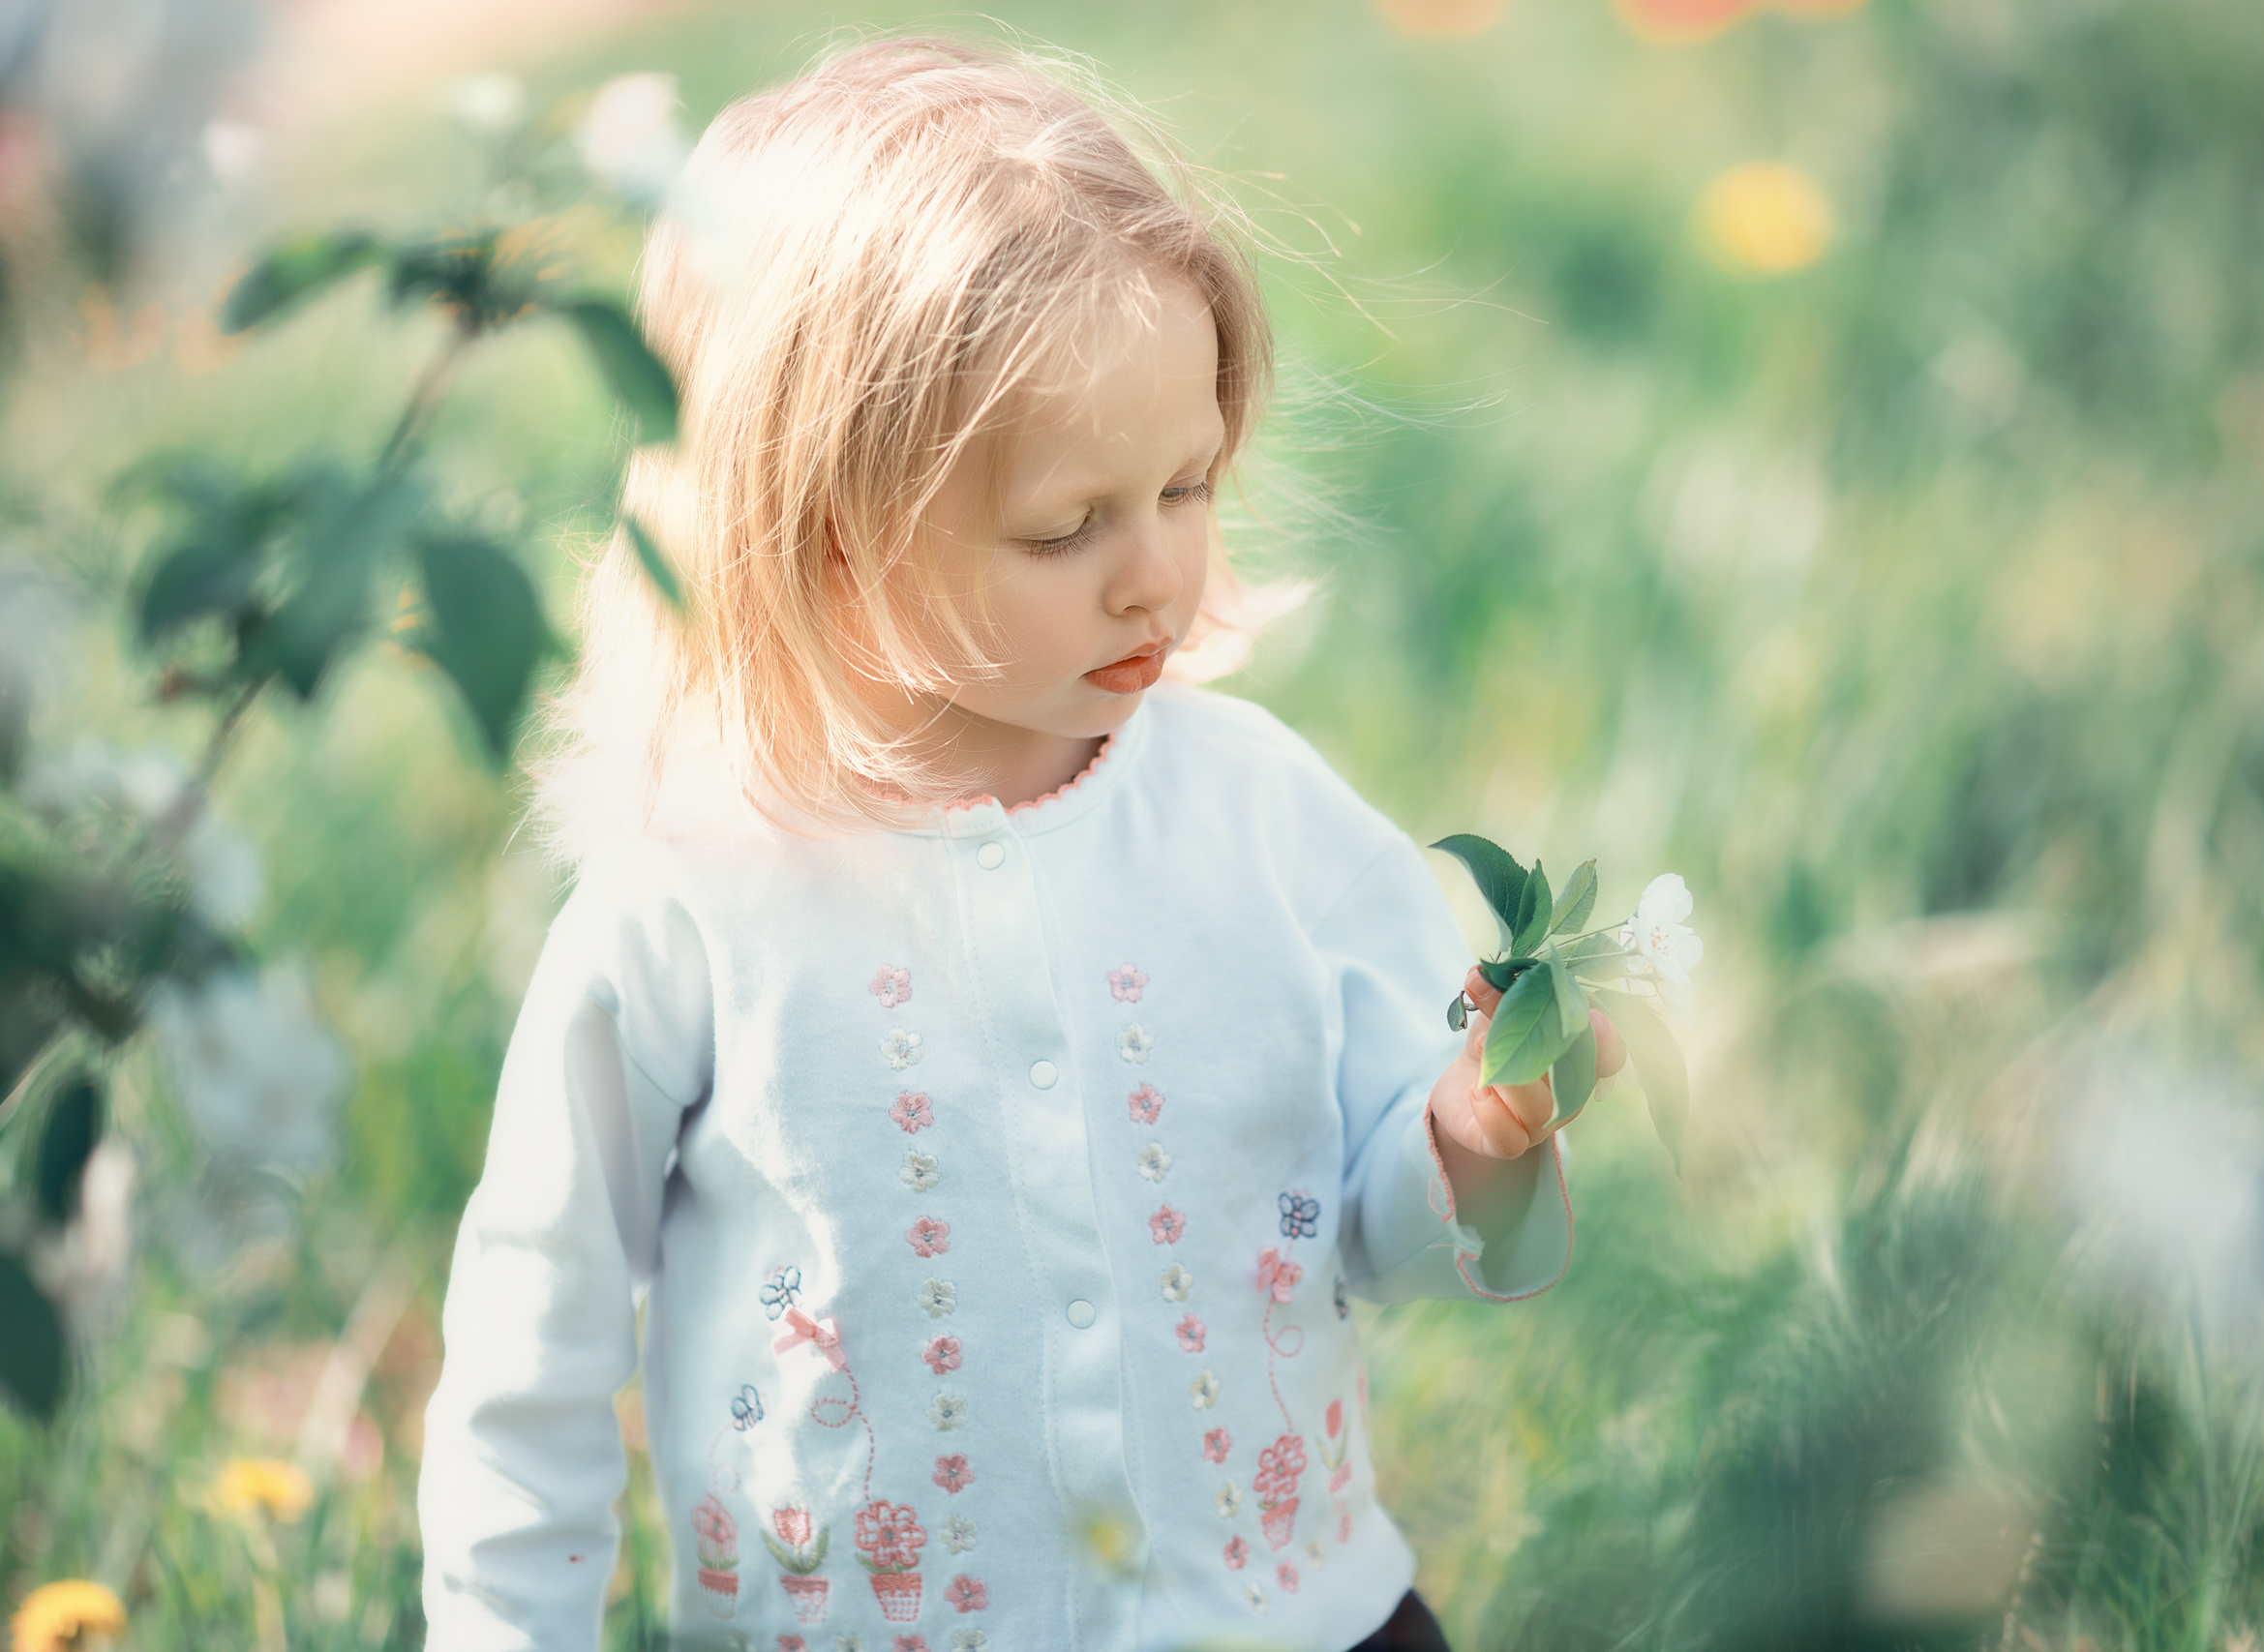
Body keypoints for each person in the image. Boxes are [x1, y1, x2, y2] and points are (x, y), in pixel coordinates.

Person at [416, 35, 1623, 1652]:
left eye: (1190, 488)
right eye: (1067, 527)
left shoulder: (1258, 818)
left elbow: (1371, 1233)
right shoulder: (696, 902)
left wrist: (1474, 1142)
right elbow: (533, 1346)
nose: (1153, 579)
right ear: (833, 536)